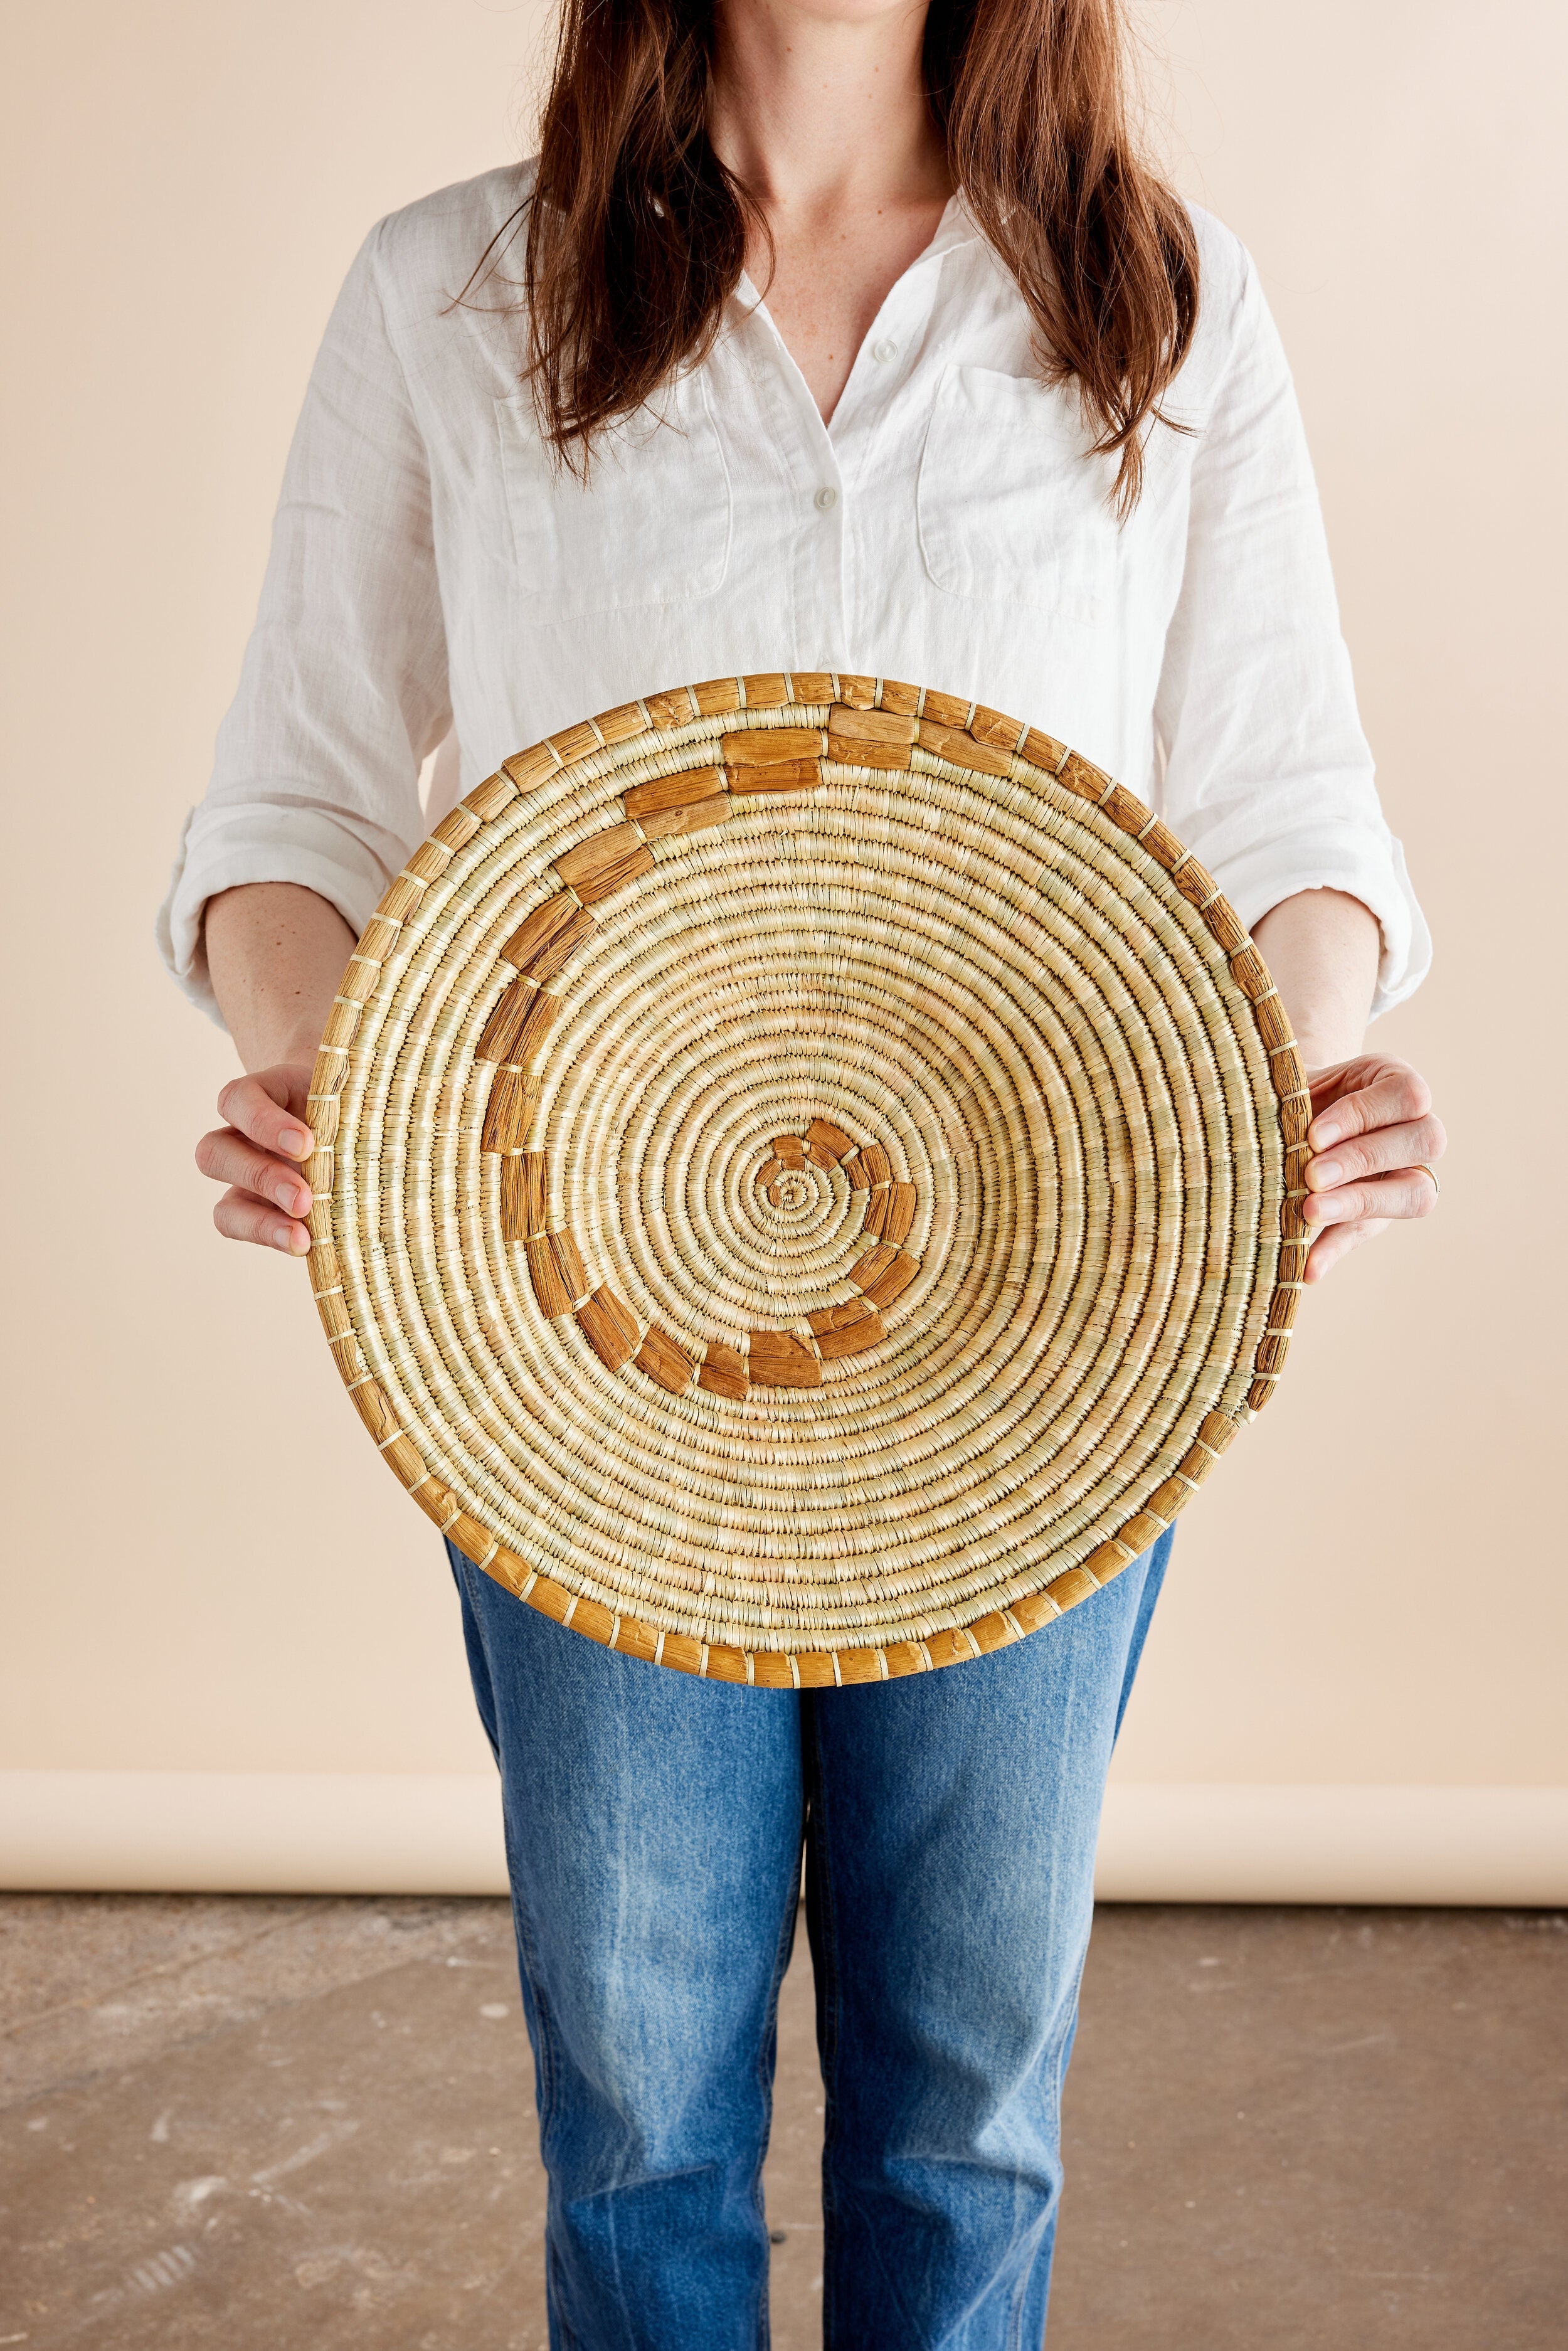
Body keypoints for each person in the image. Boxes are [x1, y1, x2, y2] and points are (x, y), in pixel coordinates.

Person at [161, 0, 1446, 2339]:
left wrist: (1294, 1068)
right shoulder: (457, 293)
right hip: (576, 1368)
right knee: (640, 2106)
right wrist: (332, 1069)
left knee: (967, 2106)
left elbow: (1296, 822)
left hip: (1051, 1349)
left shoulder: (1158, 300)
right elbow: (288, 811)